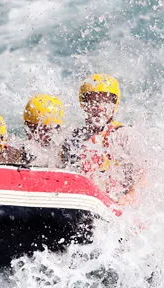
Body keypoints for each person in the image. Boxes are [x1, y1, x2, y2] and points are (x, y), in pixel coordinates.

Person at [60, 74, 143, 204]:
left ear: (115, 105)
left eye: (106, 101)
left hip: (117, 201)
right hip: (86, 201)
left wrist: (130, 196)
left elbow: (142, 176)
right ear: (84, 105)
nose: (99, 107)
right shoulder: (74, 139)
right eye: (93, 101)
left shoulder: (124, 135)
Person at [20, 93, 65, 167]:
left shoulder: (72, 153)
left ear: (59, 130)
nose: (40, 137)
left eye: (47, 131)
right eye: (34, 130)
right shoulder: (19, 154)